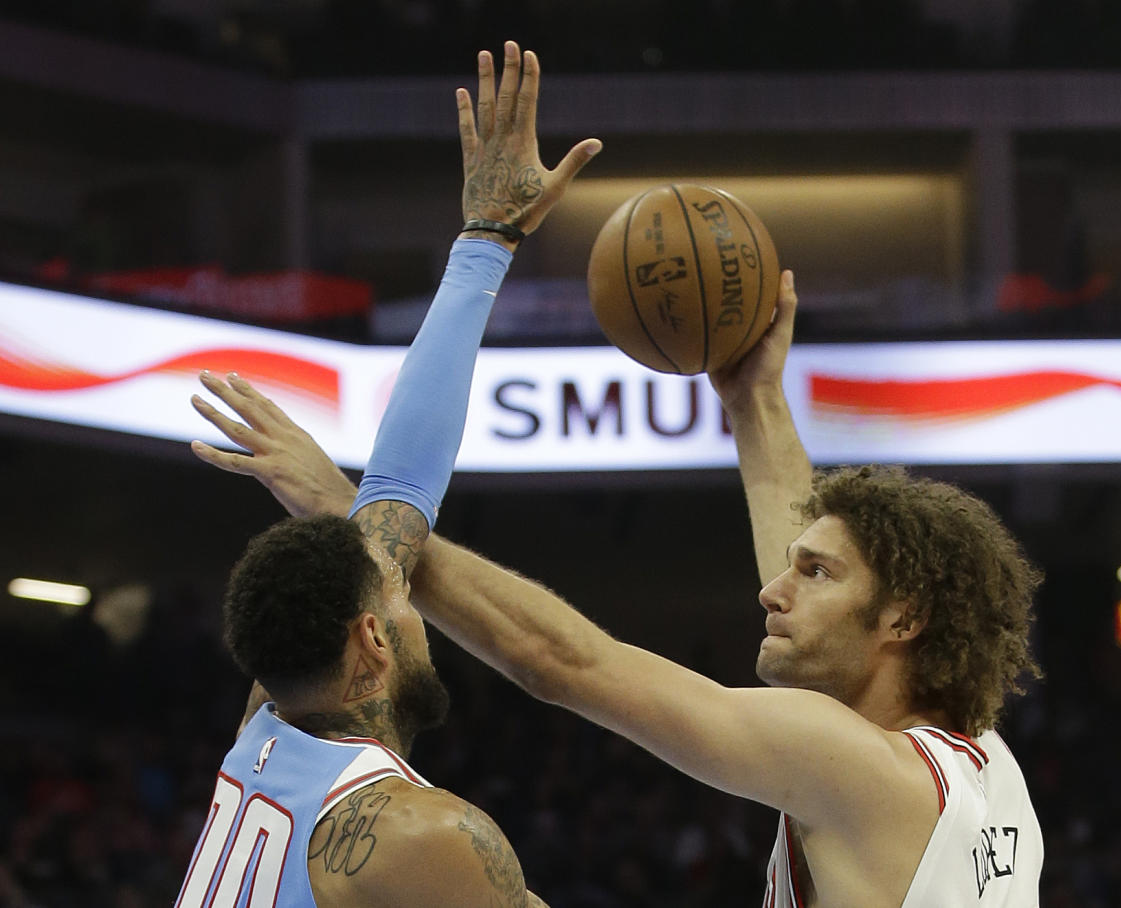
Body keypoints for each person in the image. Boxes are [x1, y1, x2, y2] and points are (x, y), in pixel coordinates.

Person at [194, 229, 1044, 907]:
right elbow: (807, 544)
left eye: (815, 576)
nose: (771, 590)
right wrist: (753, 400)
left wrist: (355, 516)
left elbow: (567, 664)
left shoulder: (855, 764)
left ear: (903, 621)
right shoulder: (987, 771)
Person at [176, 40, 600, 908]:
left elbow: (398, 495)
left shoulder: (267, 727)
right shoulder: (427, 837)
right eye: (401, 591)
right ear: (370, 641)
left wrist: (486, 241)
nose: (413, 576)